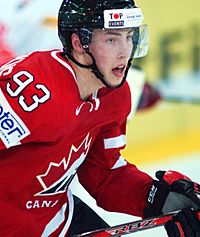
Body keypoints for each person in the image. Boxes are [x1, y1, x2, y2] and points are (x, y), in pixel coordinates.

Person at [0, 0, 199, 236]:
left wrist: (158, 198)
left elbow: (104, 174)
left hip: (58, 220)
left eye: (129, 36)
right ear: (79, 43)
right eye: (111, 39)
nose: (125, 50)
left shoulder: (115, 97)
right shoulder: (32, 89)